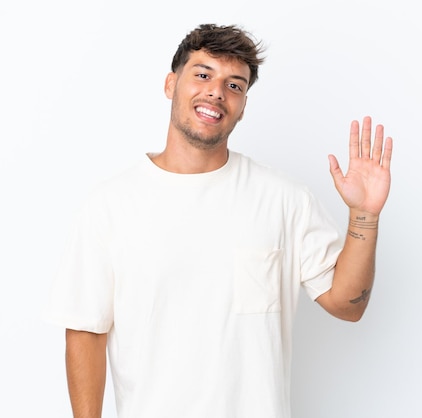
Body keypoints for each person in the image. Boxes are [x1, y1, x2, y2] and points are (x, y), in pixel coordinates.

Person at [44, 23, 393, 418]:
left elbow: (347, 305)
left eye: (234, 85)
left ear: (243, 106)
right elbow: (86, 330)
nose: (216, 91)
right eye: (203, 74)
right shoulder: (110, 205)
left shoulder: (283, 199)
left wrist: (364, 216)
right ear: (170, 84)